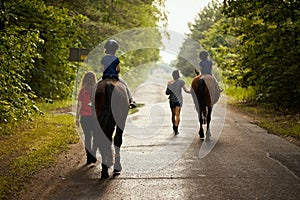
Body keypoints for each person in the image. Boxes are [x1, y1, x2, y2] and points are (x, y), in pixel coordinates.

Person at [100, 39, 136, 108]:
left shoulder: (104, 58)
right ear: (115, 50)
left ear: (106, 49)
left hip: (105, 77)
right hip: (114, 77)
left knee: (96, 86)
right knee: (125, 86)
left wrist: (106, 72)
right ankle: (131, 100)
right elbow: (118, 69)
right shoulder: (116, 58)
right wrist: (115, 73)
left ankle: (91, 101)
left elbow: (101, 69)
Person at [76, 71, 98, 165]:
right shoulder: (97, 91)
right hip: (95, 118)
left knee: (88, 137)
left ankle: (89, 157)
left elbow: (79, 106)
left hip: (84, 118)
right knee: (96, 137)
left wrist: (77, 118)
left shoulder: (82, 91)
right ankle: (93, 153)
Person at [166, 70, 190, 135]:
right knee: (178, 115)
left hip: (172, 100)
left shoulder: (169, 82)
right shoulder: (181, 82)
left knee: (173, 114)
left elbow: (167, 93)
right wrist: (192, 92)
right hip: (179, 100)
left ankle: (174, 125)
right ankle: (176, 126)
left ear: (172, 75)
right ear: (178, 75)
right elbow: (186, 90)